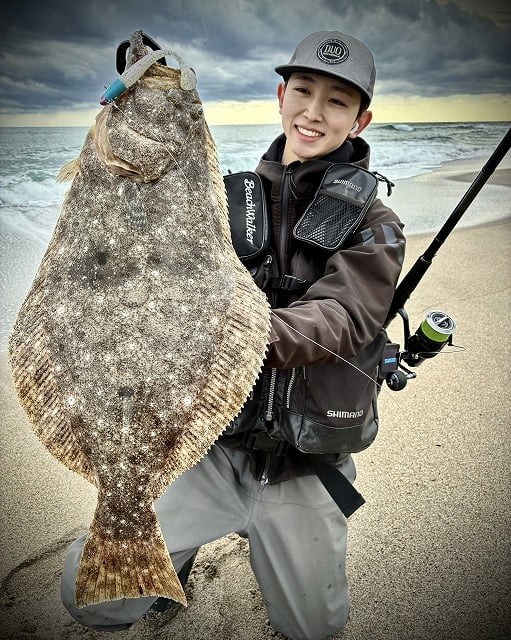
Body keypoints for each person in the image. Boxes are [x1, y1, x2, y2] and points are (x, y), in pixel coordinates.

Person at [61, 30, 405, 640]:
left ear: (360, 120)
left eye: (337, 101)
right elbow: (141, 252)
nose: (313, 112)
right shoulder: (220, 197)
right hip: (208, 448)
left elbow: (345, 316)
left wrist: (226, 333)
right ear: (280, 97)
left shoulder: (375, 225)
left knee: (313, 631)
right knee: (90, 599)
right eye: (303, 91)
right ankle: (176, 561)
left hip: (304, 465)